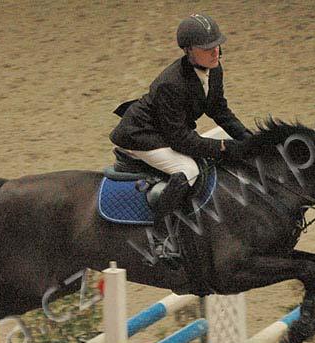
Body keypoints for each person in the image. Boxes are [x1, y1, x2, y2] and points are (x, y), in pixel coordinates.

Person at [109, 13, 256, 261]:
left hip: (168, 130)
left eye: (217, 45)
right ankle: (159, 237)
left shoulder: (214, 69)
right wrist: (223, 147)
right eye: (207, 48)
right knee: (189, 170)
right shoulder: (171, 83)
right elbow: (180, 140)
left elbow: (219, 110)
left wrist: (250, 140)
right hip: (142, 135)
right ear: (188, 51)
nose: (215, 52)